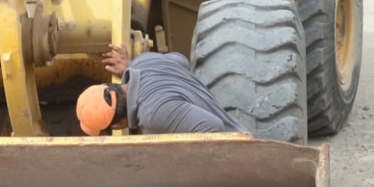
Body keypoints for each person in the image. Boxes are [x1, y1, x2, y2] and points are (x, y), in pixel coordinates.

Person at [76, 43, 248, 135]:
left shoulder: (153, 115)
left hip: (239, 165)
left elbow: (213, 127)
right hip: (243, 136)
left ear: (118, 125)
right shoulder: (144, 61)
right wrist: (132, 65)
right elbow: (180, 61)